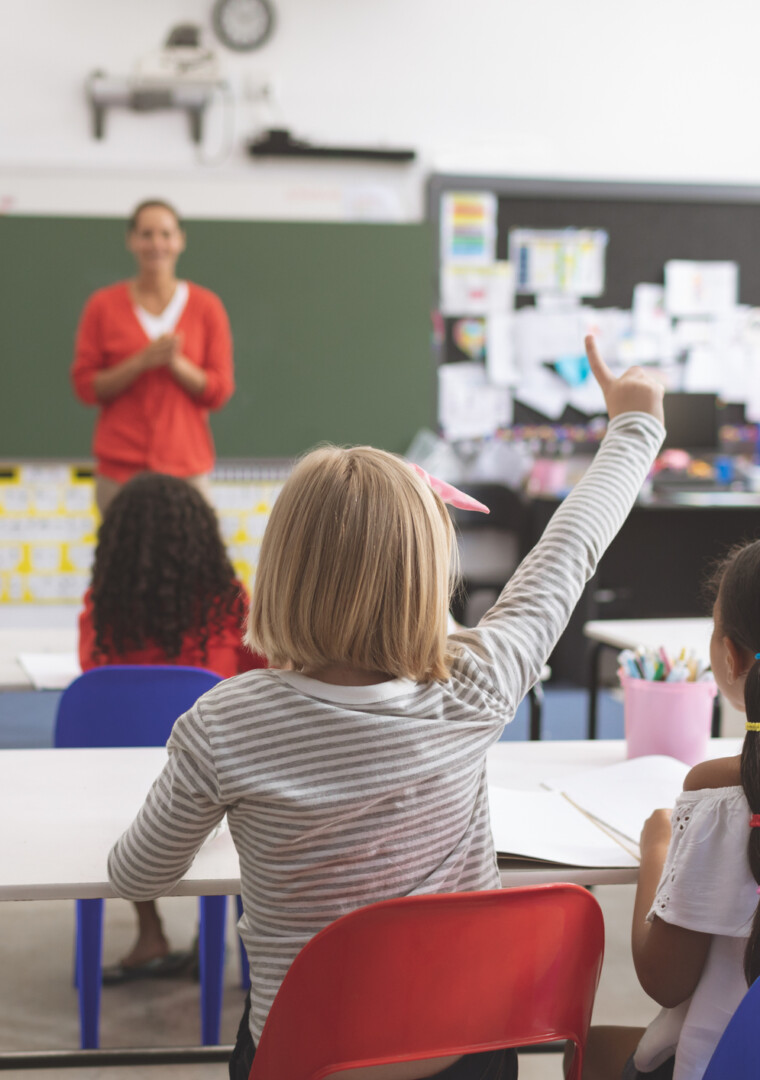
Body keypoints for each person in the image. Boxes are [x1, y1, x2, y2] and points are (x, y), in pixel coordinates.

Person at [107, 337, 665, 1080]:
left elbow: (138, 875)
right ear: (429, 576)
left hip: (304, 1059)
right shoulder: (475, 685)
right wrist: (636, 424)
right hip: (469, 1047)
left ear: (282, 570)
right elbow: (571, 548)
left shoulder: (224, 725)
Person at [582, 539, 760, 1080]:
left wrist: (659, 846)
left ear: (730, 656)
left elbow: (665, 979)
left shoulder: (719, 796)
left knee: (587, 1048)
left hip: (719, 1063)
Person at [79, 472, 264, 983]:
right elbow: (262, 679)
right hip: (219, 789)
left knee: (129, 789)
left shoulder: (104, 606)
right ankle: (245, 950)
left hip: (121, 794)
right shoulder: (229, 601)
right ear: (202, 533)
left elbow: (93, 678)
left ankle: (150, 931)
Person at [70, 199, 234, 517]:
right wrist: (139, 362)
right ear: (131, 240)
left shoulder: (207, 307)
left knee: (195, 562)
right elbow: (85, 386)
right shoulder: (102, 306)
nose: (156, 243)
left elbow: (220, 391)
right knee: (123, 565)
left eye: (166, 234)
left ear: (180, 240)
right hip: (120, 472)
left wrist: (177, 365)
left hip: (187, 467)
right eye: (146, 234)